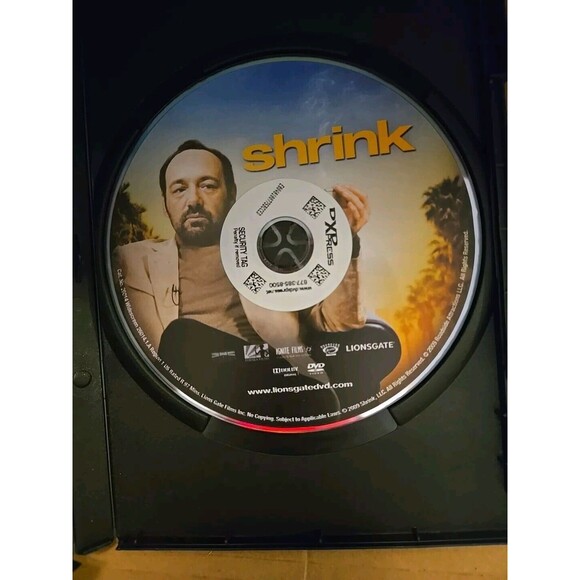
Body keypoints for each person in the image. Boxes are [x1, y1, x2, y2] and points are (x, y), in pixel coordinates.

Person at [113, 140, 400, 415]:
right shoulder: (134, 260)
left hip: (280, 373)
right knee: (180, 338)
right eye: (179, 189)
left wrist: (346, 241)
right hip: (203, 387)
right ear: (165, 203)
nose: (194, 201)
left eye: (208, 185)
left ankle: (312, 401)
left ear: (231, 193)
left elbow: (338, 323)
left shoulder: (272, 247)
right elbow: (146, 353)